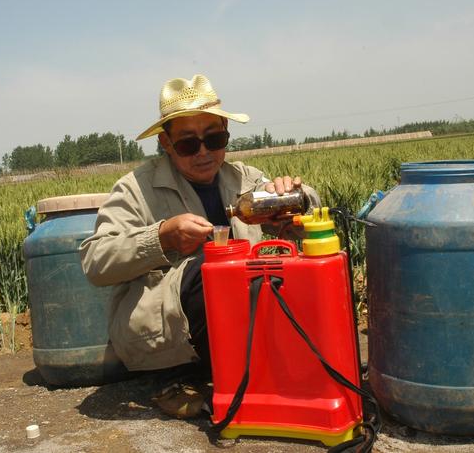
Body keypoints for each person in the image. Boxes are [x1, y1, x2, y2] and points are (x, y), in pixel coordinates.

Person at [79, 74, 320, 416]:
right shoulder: (135, 188)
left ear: (226, 132)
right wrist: (160, 237)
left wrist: (297, 200)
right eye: (189, 144)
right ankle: (192, 376)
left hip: (239, 321)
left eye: (215, 138)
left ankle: (258, 364)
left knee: (286, 266)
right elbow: (95, 262)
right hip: (166, 333)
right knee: (208, 272)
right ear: (165, 143)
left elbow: (311, 212)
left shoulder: (245, 179)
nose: (204, 152)